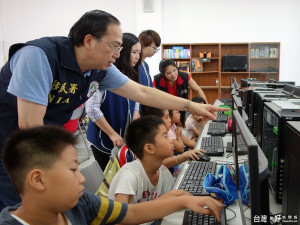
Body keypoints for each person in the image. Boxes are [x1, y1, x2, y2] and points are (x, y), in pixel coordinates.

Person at [0, 9, 226, 210]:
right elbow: (30, 126)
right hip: (12, 147)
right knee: (20, 208)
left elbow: (143, 93)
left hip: (42, 145)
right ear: (89, 41)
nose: (118, 54)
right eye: (114, 46)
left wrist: (190, 104)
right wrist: (64, 171)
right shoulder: (39, 57)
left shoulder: (99, 69)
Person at [0, 125, 223, 224]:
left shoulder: (81, 203)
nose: (82, 178)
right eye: (73, 170)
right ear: (38, 180)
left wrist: (183, 200)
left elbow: (130, 214)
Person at [108, 117, 221, 225]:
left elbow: (160, 209)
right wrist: (179, 201)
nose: (171, 140)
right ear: (149, 148)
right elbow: (119, 220)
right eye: (166, 136)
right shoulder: (129, 175)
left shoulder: (164, 173)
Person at [85, 33, 141, 170]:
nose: (137, 57)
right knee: (109, 182)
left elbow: (137, 103)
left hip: (124, 140)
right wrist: (112, 134)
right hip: (104, 140)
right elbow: (92, 109)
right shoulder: (103, 73)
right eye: (134, 52)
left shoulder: (132, 74)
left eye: (139, 52)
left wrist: (133, 129)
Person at [153, 59, 208, 125]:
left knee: (180, 127)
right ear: (163, 74)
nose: (173, 75)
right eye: (169, 73)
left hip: (180, 108)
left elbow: (198, 90)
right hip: (165, 110)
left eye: (174, 70)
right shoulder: (157, 80)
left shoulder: (184, 76)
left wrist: (206, 106)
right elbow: (153, 96)